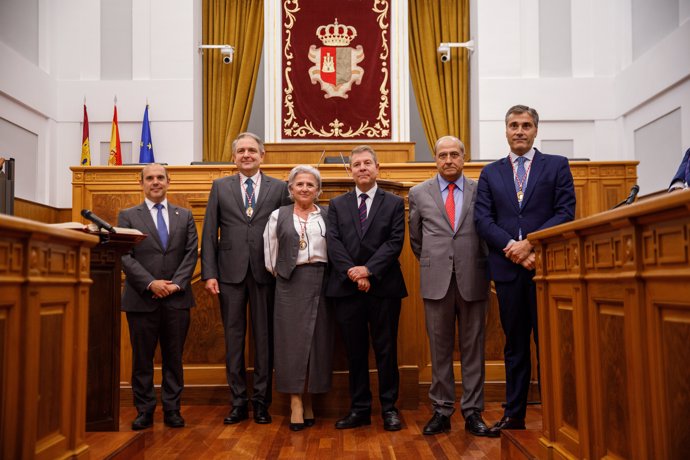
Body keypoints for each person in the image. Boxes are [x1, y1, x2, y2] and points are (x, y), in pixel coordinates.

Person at [475, 105, 576, 435]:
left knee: (549, 344)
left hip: (547, 270)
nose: (520, 130)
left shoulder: (557, 166)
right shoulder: (491, 173)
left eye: (526, 125)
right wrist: (515, 251)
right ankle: (514, 415)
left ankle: (558, 418)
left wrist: (531, 244)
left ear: (536, 130)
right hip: (508, 272)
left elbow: (565, 212)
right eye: (514, 125)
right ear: (505, 131)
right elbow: (483, 220)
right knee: (515, 346)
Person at [201, 132, 290, 425]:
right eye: (241, 151)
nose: (247, 155)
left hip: (266, 273)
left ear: (262, 156)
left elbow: (286, 231)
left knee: (264, 340)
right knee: (234, 339)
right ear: (234, 156)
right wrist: (209, 273)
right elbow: (210, 233)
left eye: (252, 150)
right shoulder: (220, 187)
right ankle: (238, 402)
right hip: (229, 274)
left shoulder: (278, 188)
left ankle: (262, 403)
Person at [408, 136, 494, 437]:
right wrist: (437, 261)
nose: (448, 160)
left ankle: (473, 412)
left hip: (474, 277)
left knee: (473, 349)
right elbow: (416, 239)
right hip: (436, 281)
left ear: (464, 157)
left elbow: (487, 230)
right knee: (439, 349)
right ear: (435, 159)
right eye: (442, 155)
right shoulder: (418, 193)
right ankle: (441, 410)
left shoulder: (481, 189)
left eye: (454, 154)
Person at [326, 145, 408, 431]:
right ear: (350, 170)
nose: (362, 168)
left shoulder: (395, 203)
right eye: (357, 164)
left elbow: (394, 242)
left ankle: (389, 409)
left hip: (384, 287)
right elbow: (333, 243)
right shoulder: (336, 205)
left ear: (377, 168)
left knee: (386, 351)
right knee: (355, 351)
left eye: (367, 163)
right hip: (347, 289)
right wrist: (354, 272)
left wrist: (368, 270)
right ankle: (359, 409)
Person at [118, 163, 199, 430]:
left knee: (173, 358)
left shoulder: (184, 215)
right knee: (142, 359)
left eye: (160, 177)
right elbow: (124, 256)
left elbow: (191, 253)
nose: (155, 182)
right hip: (142, 299)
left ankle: (172, 409)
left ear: (168, 181)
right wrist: (150, 283)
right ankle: (144, 410)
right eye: (150, 178)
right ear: (141, 183)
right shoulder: (128, 216)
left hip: (177, 299)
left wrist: (176, 284)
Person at [263, 165, 334, 431]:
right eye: (299, 184)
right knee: (290, 344)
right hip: (289, 284)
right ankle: (295, 402)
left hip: (321, 282)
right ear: (290, 189)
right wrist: (284, 274)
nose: (304, 188)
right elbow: (269, 253)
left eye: (310, 185)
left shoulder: (326, 216)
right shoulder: (277, 216)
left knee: (318, 343)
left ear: (318, 190)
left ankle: (311, 400)